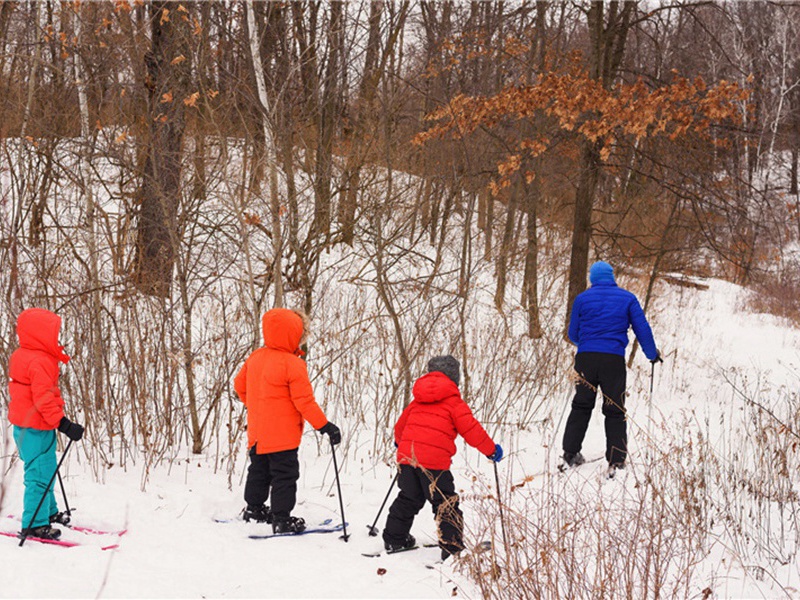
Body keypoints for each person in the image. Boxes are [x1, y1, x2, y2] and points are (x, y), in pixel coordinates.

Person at [382, 355, 502, 561]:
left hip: (407, 459)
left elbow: (400, 427)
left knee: (408, 498)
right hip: (434, 464)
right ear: (454, 378)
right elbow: (472, 431)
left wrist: (399, 442)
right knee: (445, 503)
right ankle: (452, 549)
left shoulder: (416, 401)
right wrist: (491, 450)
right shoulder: (455, 403)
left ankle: (395, 538)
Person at [234, 308, 341, 534]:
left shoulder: (256, 357)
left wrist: (255, 404)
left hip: (257, 432)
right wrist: (324, 426)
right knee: (284, 475)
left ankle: (253, 509)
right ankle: (281, 519)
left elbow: (239, 386)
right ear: (294, 334)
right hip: (283, 435)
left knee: (259, 470)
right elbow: (305, 402)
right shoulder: (293, 364)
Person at [562, 261, 661, 477]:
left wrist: (587, 343)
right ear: (612, 277)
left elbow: (572, 333)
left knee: (581, 405)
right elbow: (642, 328)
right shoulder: (628, 298)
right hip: (613, 360)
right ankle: (616, 461)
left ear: (592, 278)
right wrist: (652, 355)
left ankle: (570, 454)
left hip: (586, 358)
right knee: (615, 409)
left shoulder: (582, 299)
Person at [8, 308, 85, 540]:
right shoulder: (40, 361)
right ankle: (34, 523)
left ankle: (47, 511)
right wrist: (63, 423)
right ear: (41, 334)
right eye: (53, 333)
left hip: (25, 427)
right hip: (37, 427)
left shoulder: (22, 354)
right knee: (39, 475)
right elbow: (43, 398)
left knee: (45, 470)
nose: (57, 337)